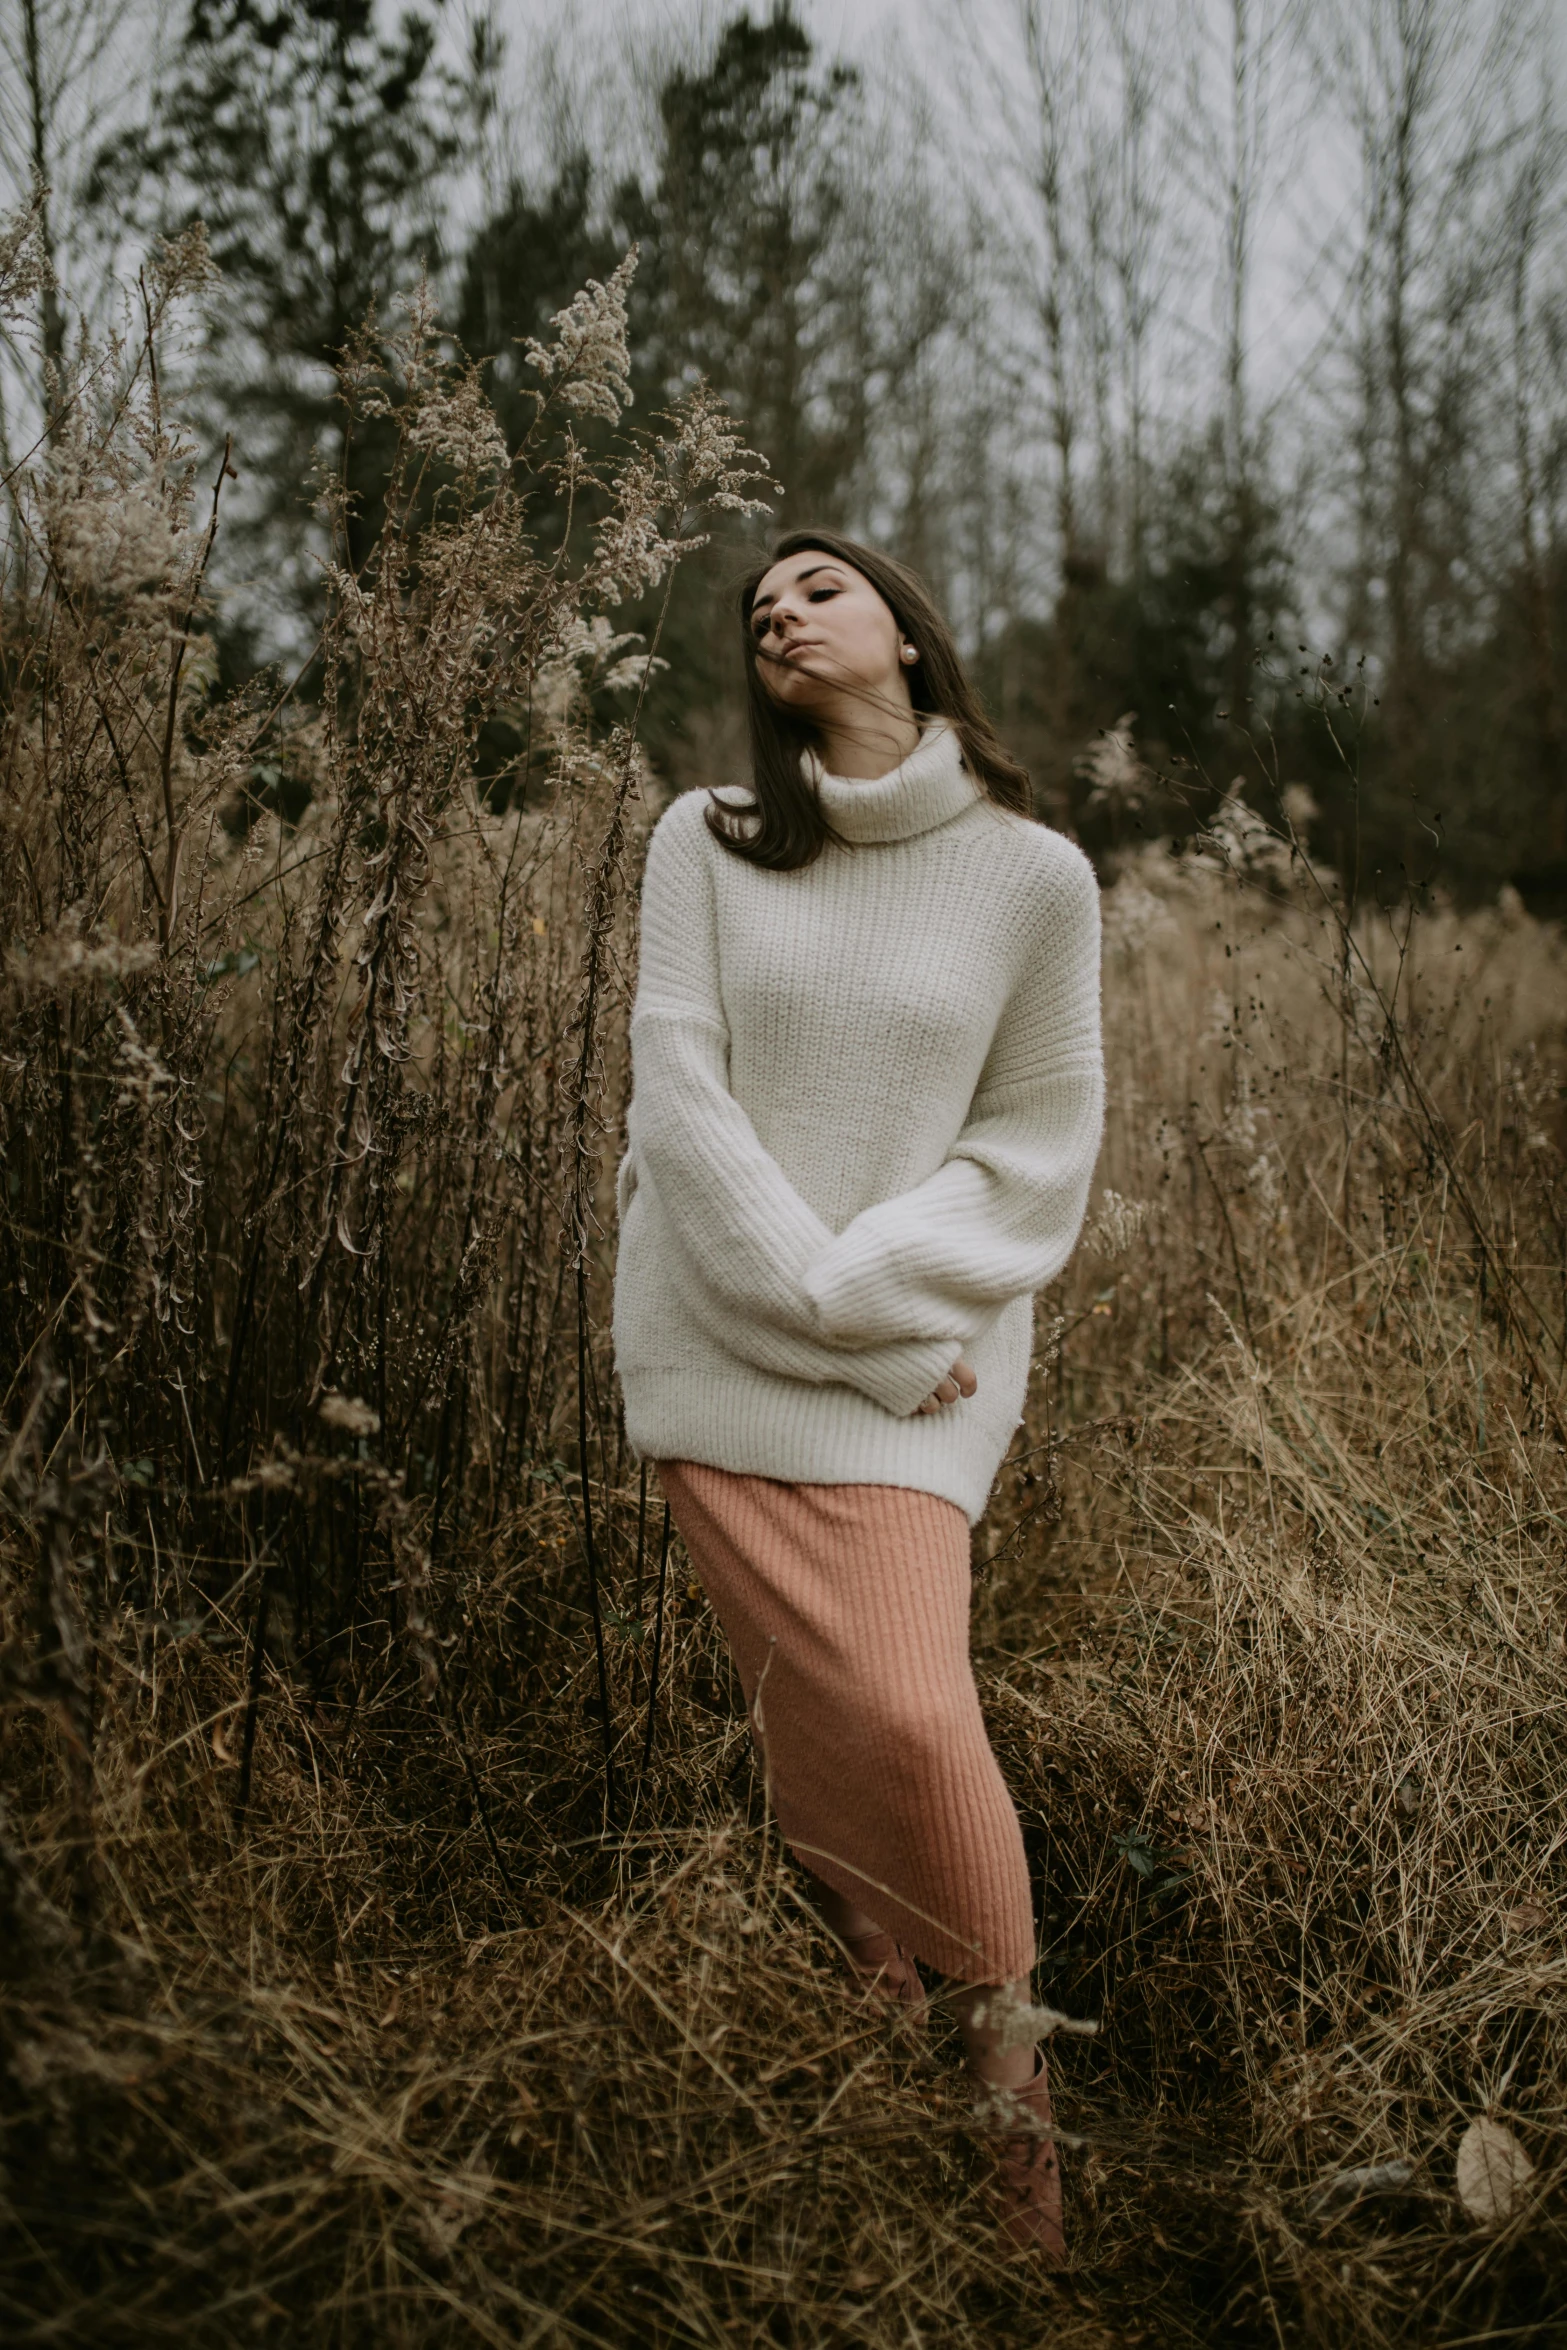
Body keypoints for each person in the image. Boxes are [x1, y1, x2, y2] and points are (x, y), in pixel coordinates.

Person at [611, 528, 1104, 2262]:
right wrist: (838, 1318)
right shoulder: (710, 842)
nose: (778, 609)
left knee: (906, 1714)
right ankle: (876, 2012)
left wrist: (877, 1317)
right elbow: (680, 1106)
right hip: (719, 1347)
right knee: (818, 1721)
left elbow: (1033, 1152)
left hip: (928, 1371)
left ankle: (1017, 2172)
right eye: (758, 607)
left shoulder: (1036, 879)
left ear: (905, 627)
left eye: (817, 586)